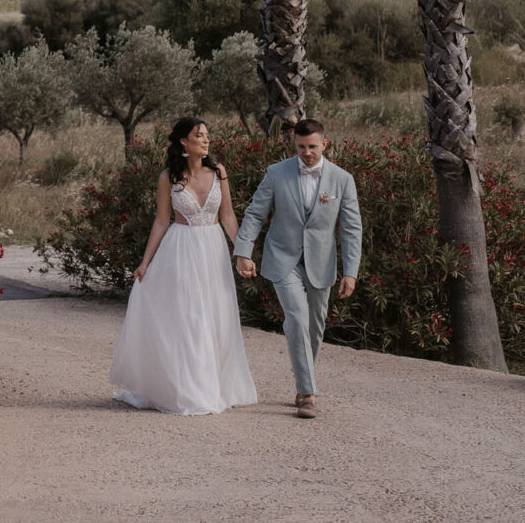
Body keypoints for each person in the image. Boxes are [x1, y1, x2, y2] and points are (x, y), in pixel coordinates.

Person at [108, 116, 258, 414]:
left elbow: (227, 217)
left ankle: (214, 386)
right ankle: (191, 390)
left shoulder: (219, 172)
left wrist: (242, 252)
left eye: (207, 135)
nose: (206, 140)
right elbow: (162, 220)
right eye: (199, 135)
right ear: (183, 142)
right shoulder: (168, 177)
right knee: (189, 318)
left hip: (213, 250)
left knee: (216, 316)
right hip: (180, 251)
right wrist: (145, 262)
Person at [232, 117, 363, 419]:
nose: (307, 153)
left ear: (325, 144)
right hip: (282, 258)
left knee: (315, 326)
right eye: (301, 147)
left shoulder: (342, 179)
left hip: (321, 261)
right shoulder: (276, 173)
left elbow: (352, 229)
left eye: (312, 147)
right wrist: (243, 251)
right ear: (295, 144)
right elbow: (254, 213)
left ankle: (304, 378)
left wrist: (350, 271)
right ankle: (307, 393)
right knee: (297, 316)